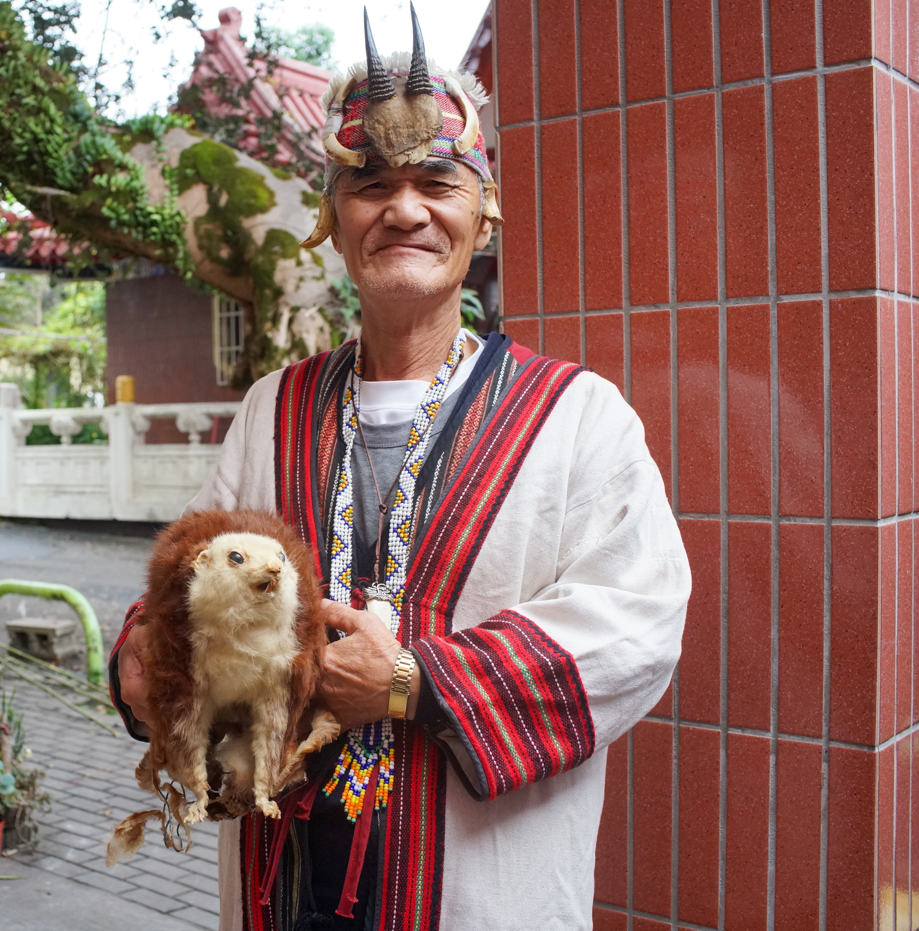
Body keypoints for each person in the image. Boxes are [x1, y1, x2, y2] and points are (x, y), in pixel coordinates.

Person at [110, 9, 690, 929]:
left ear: (483, 211)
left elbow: (641, 623)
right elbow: (185, 581)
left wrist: (412, 681)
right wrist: (149, 665)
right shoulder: (273, 408)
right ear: (332, 224)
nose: (405, 209)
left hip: (480, 891)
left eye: (437, 181)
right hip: (283, 876)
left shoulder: (580, 419)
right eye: (370, 184)